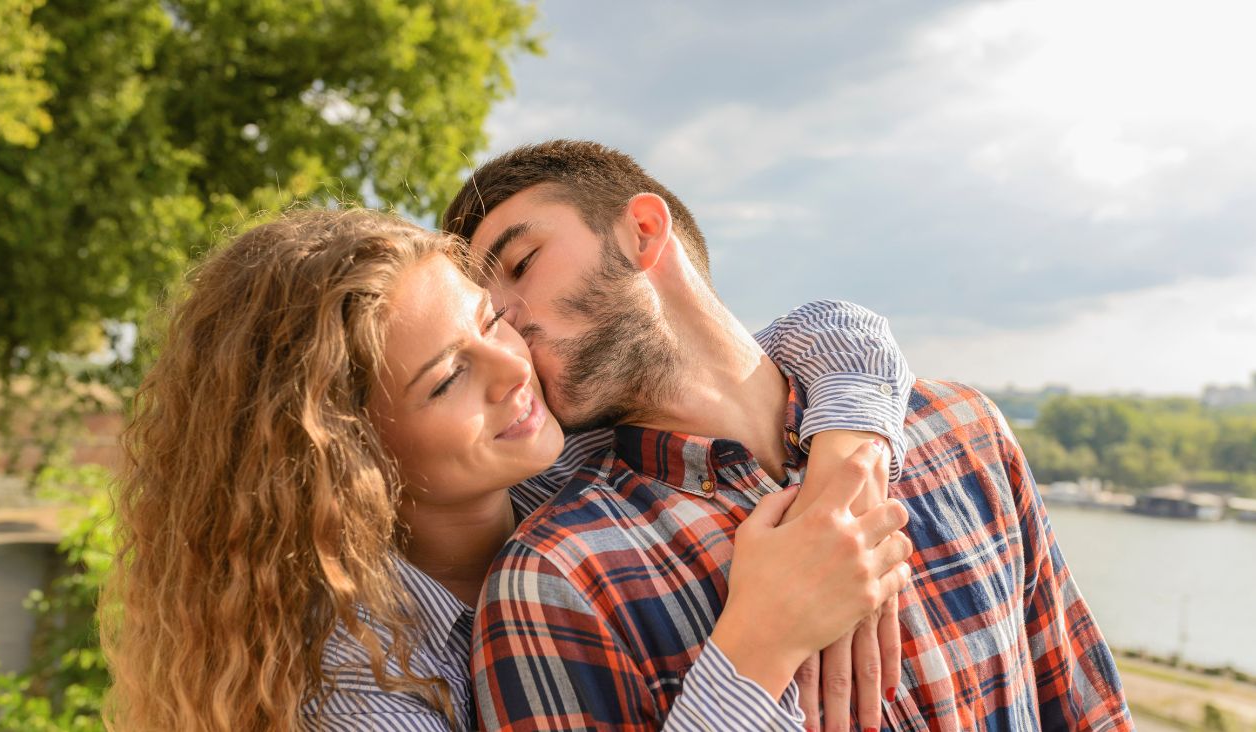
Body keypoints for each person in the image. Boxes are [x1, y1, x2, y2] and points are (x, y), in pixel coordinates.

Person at [101, 207, 918, 731]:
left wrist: (846, 473)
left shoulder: (569, 460)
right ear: (347, 456)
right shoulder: (354, 694)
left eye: (493, 318)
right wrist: (758, 646)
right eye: (449, 378)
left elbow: (824, 335)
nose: (513, 367)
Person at [441, 140, 1135, 731]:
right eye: (486, 313)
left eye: (523, 263)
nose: (508, 317)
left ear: (644, 233)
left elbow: (1089, 711)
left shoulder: (965, 431)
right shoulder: (555, 578)